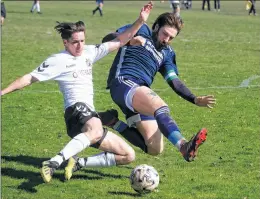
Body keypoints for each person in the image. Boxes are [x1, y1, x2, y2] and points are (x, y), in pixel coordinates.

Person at [1, 1, 153, 183]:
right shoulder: (57, 60)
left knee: (127, 155)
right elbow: (29, 78)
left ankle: (78, 162)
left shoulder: (89, 52)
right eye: (75, 42)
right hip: (76, 111)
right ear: (65, 42)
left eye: (82, 40)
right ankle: (54, 162)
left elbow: (120, 40)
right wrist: (2, 92)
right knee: (96, 128)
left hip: (88, 118)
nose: (80, 45)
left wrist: (140, 21)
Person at [95, 13, 216, 164]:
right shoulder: (141, 30)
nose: (166, 40)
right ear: (156, 27)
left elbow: (174, 81)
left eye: (171, 37)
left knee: (154, 148)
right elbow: (107, 40)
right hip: (123, 83)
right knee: (160, 106)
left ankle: (112, 121)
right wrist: (129, 40)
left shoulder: (167, 53)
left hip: (139, 93)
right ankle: (183, 145)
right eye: (165, 34)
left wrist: (194, 99)